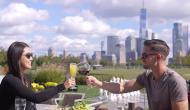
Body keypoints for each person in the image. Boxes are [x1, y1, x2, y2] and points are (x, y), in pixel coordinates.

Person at [86, 39, 188, 110]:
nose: (141, 58)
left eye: (145, 55)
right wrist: (98, 83)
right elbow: (122, 87)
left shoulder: (175, 82)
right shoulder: (147, 76)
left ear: (158, 57)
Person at [0, 41, 75, 110]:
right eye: (28, 55)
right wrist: (62, 86)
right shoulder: (10, 80)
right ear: (17, 58)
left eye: (32, 55)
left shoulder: (25, 78)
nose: (31, 58)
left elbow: (29, 104)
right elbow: (36, 97)